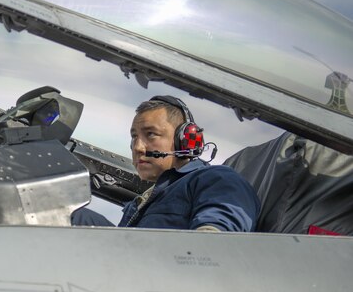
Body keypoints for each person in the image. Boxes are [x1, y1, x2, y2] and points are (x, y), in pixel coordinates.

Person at [72, 96, 260, 231]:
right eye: (134, 136)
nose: (138, 147)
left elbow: (214, 244)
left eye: (151, 134)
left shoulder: (217, 179)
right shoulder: (143, 200)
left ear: (185, 139)